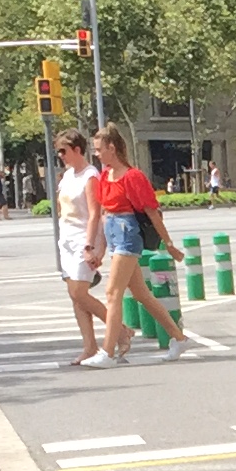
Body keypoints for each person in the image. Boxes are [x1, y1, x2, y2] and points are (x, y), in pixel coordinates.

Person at [87, 122, 183, 362]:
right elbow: (104, 215)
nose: (96, 154)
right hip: (114, 233)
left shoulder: (133, 176)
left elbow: (152, 212)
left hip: (127, 234)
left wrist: (168, 243)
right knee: (141, 293)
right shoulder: (105, 176)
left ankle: (107, 352)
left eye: (99, 149)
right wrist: (100, 250)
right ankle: (178, 338)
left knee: (113, 293)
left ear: (112, 148)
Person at [51, 130, 109, 366]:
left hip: (84, 239)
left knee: (79, 293)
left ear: (77, 149)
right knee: (75, 297)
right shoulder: (67, 176)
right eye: (58, 151)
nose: (60, 155)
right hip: (67, 240)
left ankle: (120, 330)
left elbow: (95, 213)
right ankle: (89, 346)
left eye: (63, 150)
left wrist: (90, 246)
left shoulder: (90, 176)